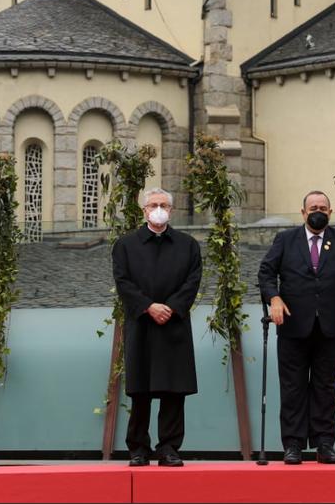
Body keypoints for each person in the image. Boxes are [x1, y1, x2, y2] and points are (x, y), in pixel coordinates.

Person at [258, 190, 335, 465]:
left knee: (324, 387)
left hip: (327, 327)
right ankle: (292, 445)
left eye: (323, 207)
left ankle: (324, 444)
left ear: (330, 212)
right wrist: (275, 298)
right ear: (303, 213)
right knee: (292, 388)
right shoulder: (285, 240)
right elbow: (266, 272)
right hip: (293, 326)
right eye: (313, 207)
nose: (318, 211)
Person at [112, 188, 201, 468]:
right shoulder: (126, 245)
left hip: (174, 325)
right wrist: (149, 306)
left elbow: (193, 280)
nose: (159, 209)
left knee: (174, 391)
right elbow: (123, 281)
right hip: (142, 325)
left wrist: (171, 307)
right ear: (144, 210)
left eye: (164, 205)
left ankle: (169, 448)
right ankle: (138, 448)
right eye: (153, 205)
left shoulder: (188, 245)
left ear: (171, 210)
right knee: (140, 390)